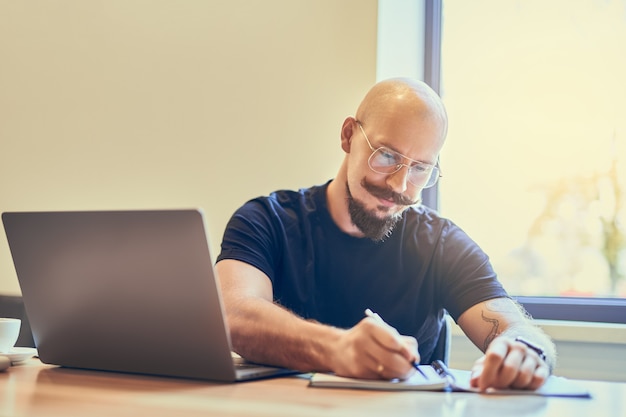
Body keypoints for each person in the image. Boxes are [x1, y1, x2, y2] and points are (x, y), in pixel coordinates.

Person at [215, 78, 556, 391]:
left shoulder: (441, 244)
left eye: (420, 168)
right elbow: (234, 315)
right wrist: (338, 349)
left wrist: (526, 349)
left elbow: (516, 328)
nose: (399, 185)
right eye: (387, 155)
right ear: (348, 135)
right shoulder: (265, 220)